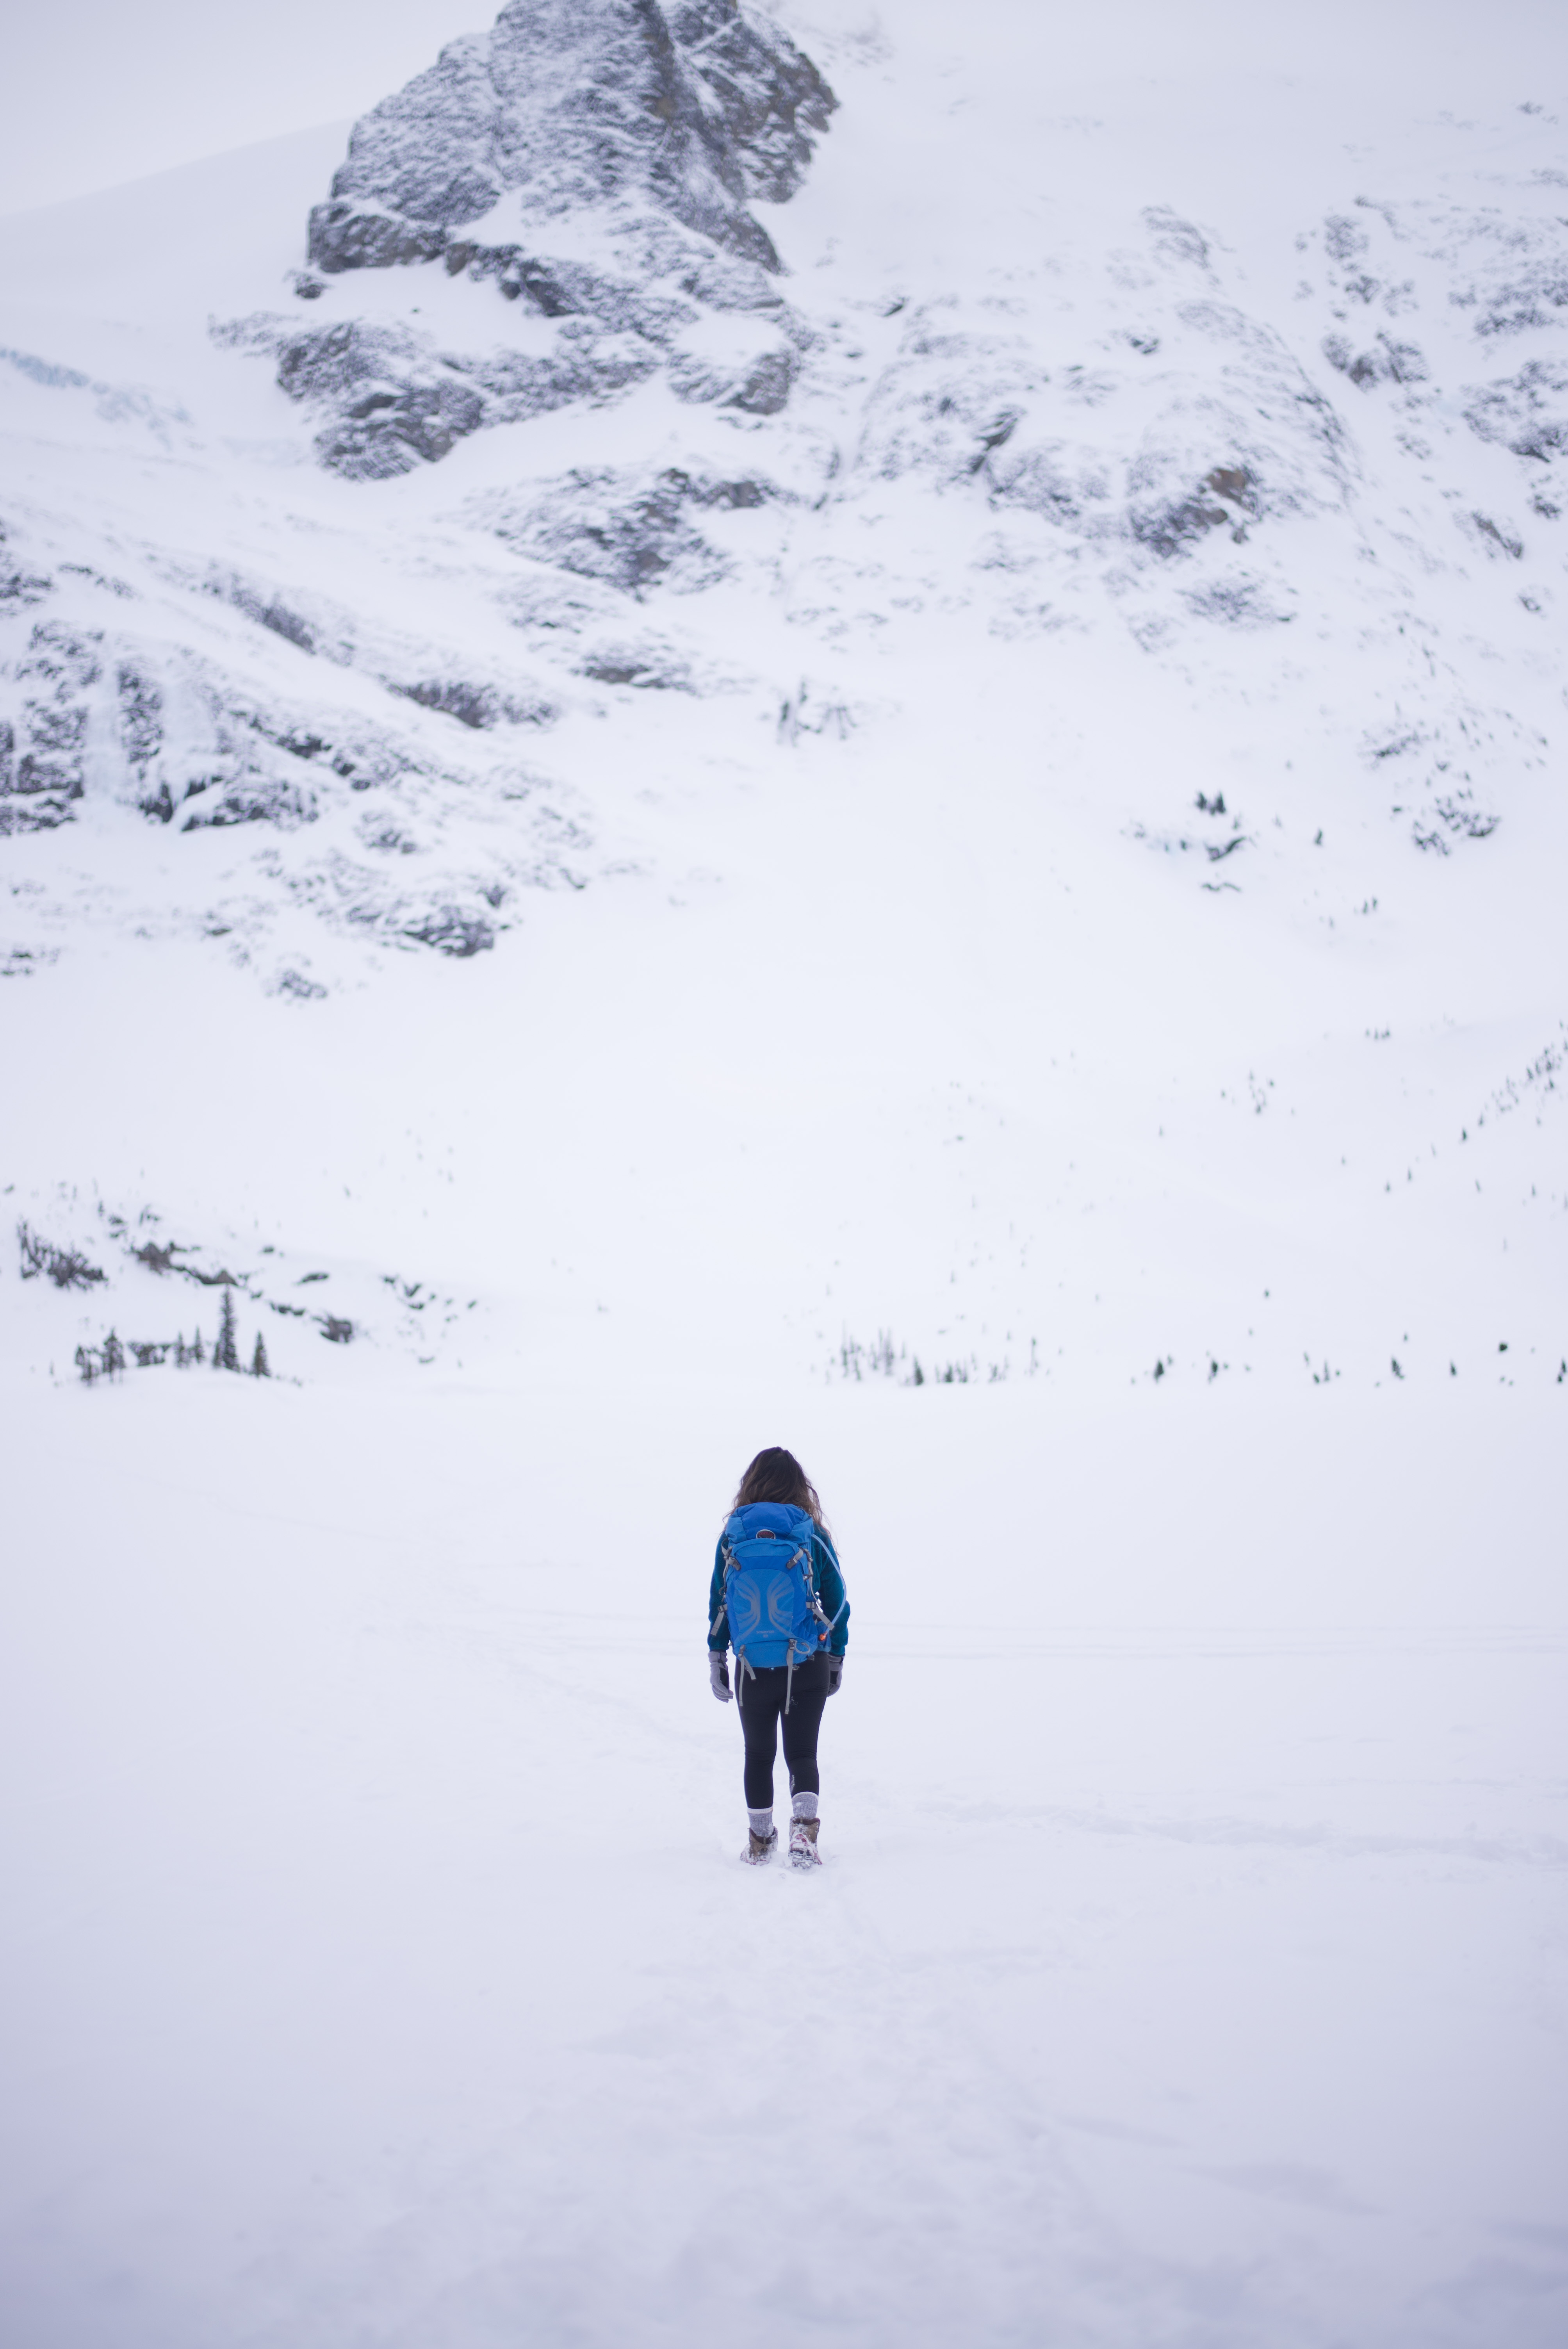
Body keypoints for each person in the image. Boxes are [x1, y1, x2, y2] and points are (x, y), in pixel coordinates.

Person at [707, 1446, 850, 1866]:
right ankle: (803, 1837)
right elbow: (838, 1600)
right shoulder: (810, 1533)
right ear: (799, 1486)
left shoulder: (733, 1534)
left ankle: (760, 1841)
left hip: (751, 1665)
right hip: (807, 1661)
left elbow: (719, 1599)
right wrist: (836, 1656)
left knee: (758, 1754)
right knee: (802, 1755)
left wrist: (717, 1655)